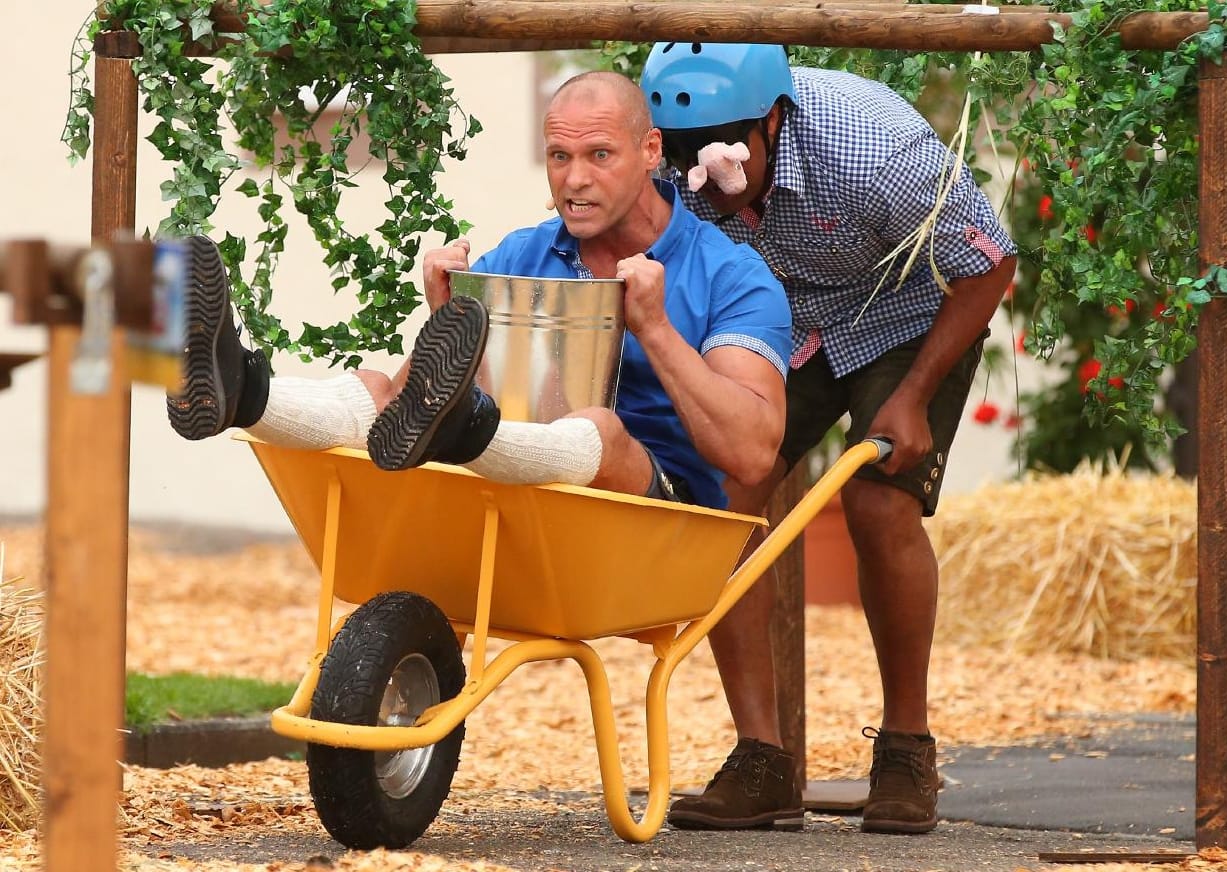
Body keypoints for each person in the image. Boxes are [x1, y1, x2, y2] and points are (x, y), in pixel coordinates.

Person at [639, 43, 1019, 833]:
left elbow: (987, 265)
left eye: (725, 144)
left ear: (775, 118)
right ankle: (762, 761)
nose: (702, 169)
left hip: (906, 315)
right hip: (782, 318)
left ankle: (907, 752)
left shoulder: (875, 148)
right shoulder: (672, 162)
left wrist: (913, 397)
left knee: (881, 507)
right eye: (681, 151)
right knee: (721, 502)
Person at [167, 70, 792, 514]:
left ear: (650, 150)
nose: (575, 179)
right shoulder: (525, 253)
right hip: (504, 499)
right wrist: (447, 316)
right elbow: (412, 397)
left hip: (657, 520)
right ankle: (242, 391)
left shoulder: (731, 274)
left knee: (600, 429)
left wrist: (653, 329)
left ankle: (466, 429)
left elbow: (753, 455)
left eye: (599, 154)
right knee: (374, 387)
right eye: (558, 155)